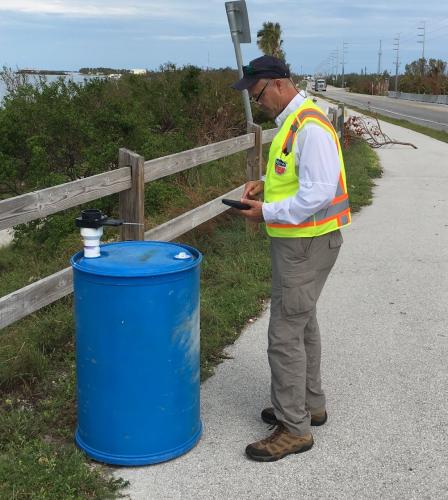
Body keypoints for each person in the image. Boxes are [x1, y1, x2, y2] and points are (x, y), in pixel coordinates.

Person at [231, 55, 351, 462]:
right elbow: (299, 177)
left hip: (306, 244)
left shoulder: (309, 127)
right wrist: (266, 186)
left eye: (258, 93)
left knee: (284, 334)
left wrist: (266, 211)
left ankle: (293, 427)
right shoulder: (293, 124)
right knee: (303, 325)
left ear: (279, 84)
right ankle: (308, 406)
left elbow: (318, 192)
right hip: (302, 243)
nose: (257, 101)